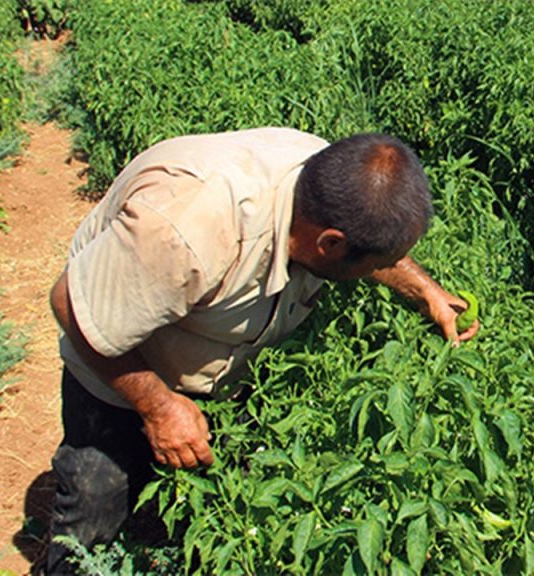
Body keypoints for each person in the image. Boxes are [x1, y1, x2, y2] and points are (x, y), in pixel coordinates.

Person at [40, 128, 479, 573]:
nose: (382, 270)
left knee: (218, 509)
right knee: (97, 500)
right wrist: (157, 407)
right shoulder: (187, 228)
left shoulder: (334, 184)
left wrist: (425, 292)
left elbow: (368, 237)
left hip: (220, 359)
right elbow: (74, 309)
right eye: (376, 265)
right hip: (118, 348)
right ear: (329, 244)